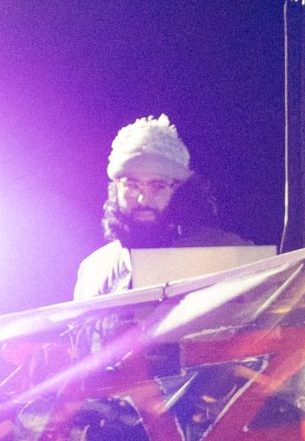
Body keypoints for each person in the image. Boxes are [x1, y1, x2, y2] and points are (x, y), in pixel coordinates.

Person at [73, 114, 243, 302]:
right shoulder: (94, 269)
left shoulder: (228, 255)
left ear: (179, 190)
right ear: (116, 187)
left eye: (158, 186)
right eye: (131, 185)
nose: (143, 199)